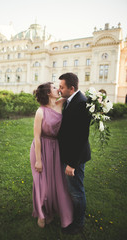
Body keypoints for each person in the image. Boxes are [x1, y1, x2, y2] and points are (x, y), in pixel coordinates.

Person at [30, 82, 73, 229]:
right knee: (42, 183)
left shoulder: (62, 103)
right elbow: (36, 137)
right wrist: (38, 161)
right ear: (49, 93)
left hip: (56, 149)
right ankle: (41, 213)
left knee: (56, 182)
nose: (58, 89)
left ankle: (52, 210)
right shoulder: (40, 112)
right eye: (55, 88)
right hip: (40, 148)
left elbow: (78, 97)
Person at [58, 73, 91, 235]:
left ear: (71, 89)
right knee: (73, 189)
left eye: (62, 87)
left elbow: (81, 138)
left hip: (74, 158)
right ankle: (72, 216)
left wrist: (72, 163)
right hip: (69, 155)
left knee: (77, 191)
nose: (59, 90)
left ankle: (78, 224)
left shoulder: (81, 103)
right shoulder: (72, 100)